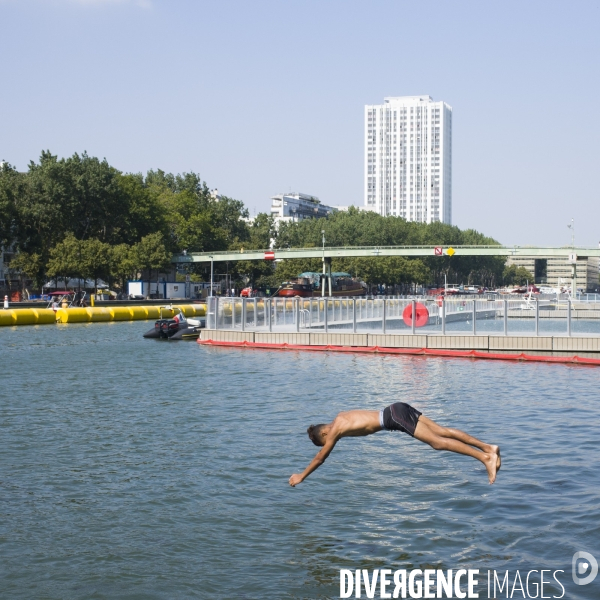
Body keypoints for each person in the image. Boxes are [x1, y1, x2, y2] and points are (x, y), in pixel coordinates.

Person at [289, 402, 501, 487]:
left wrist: (302, 476)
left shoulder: (336, 428)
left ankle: (485, 459)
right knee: (442, 431)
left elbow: (321, 458)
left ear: (324, 432)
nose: (330, 443)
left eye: (324, 441)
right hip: (396, 408)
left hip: (393, 419)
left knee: (437, 443)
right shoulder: (341, 416)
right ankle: (488, 448)